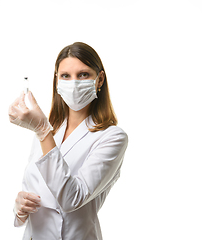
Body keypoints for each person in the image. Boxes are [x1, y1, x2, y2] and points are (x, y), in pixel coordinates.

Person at [8, 42, 128, 240]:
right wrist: (20, 208)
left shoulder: (112, 137)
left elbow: (72, 198)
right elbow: (32, 189)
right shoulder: (50, 130)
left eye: (83, 75)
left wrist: (42, 131)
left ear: (100, 79)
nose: (73, 83)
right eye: (66, 76)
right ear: (57, 80)